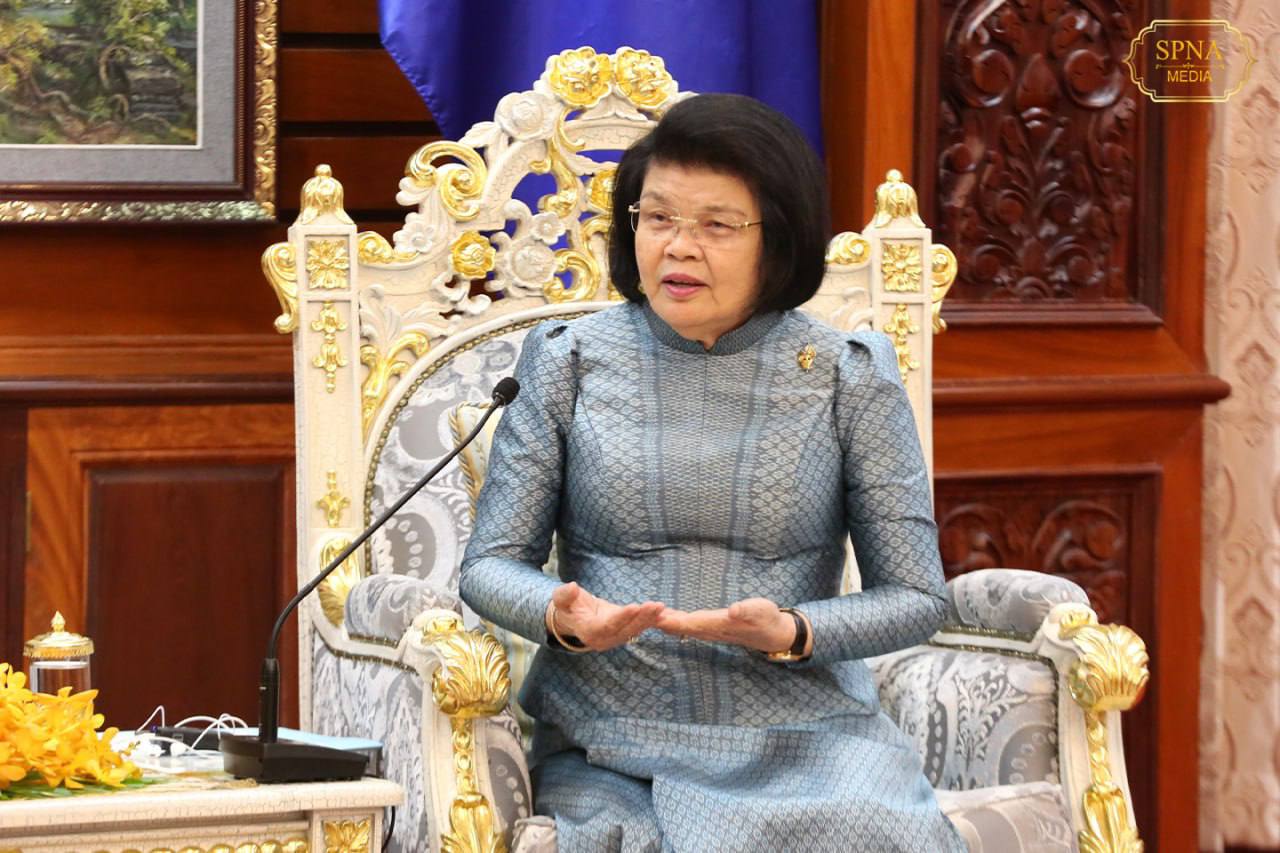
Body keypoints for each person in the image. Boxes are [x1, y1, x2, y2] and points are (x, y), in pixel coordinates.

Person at [459, 93, 965, 852]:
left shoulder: (848, 375)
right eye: (658, 217)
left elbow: (917, 597)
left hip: (808, 731)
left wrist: (795, 630)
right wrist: (561, 617)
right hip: (611, 734)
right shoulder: (568, 360)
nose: (679, 247)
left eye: (717, 226)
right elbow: (490, 564)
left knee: (871, 830)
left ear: (779, 239)